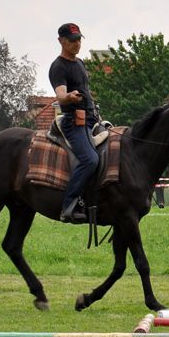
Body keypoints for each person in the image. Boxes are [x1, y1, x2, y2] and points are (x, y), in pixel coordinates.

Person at [49, 22, 100, 223]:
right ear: (61, 41)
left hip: (91, 119)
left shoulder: (80, 63)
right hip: (74, 122)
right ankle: (68, 205)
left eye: (79, 39)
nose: (77, 44)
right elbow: (61, 96)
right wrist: (69, 97)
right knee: (90, 159)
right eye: (72, 41)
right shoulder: (58, 67)